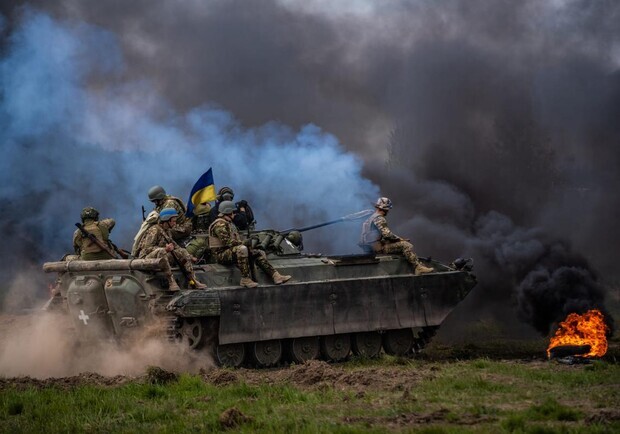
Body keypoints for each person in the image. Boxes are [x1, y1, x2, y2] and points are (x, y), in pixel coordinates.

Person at [209, 201, 291, 288]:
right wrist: (245, 243)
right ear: (228, 212)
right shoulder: (220, 224)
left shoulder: (228, 223)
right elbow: (227, 242)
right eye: (233, 212)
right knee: (242, 249)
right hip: (220, 255)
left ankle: (275, 275)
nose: (234, 214)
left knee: (255, 252)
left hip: (229, 252)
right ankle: (245, 279)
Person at [135, 207, 207, 291]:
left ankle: (193, 281)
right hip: (147, 258)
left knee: (182, 251)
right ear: (166, 220)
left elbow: (175, 246)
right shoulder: (154, 230)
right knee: (161, 251)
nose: (175, 223)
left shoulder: (167, 231)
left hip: (161, 257)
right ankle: (171, 281)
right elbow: (146, 249)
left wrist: (189, 256)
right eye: (173, 221)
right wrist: (165, 249)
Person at [359, 197, 433, 276]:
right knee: (406, 245)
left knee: (397, 243)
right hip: (378, 248)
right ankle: (418, 268)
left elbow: (376, 236)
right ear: (385, 208)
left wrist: (395, 240)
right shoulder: (379, 218)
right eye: (388, 209)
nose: (388, 211)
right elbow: (387, 235)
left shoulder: (371, 217)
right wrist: (399, 239)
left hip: (370, 247)